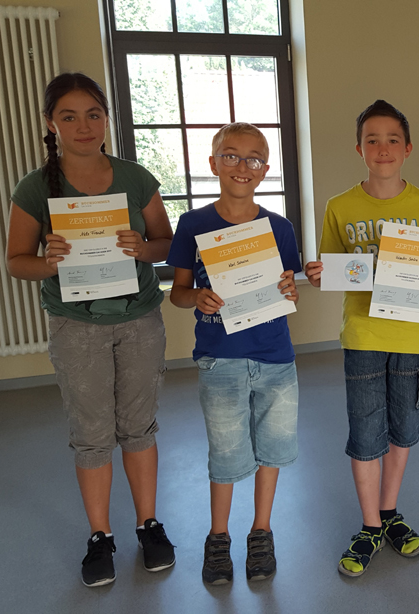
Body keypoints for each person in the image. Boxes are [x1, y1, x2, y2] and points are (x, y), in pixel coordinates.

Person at [6, 72, 175, 586]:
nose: (83, 126)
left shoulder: (135, 177)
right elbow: (16, 261)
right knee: (92, 434)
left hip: (139, 319)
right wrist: (49, 262)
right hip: (76, 326)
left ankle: (149, 525)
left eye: (93, 114)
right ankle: (100, 536)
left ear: (106, 119)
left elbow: (166, 243)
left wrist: (143, 249)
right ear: (50, 124)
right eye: (69, 116)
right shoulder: (35, 187)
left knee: (139, 427)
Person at [304, 100, 419, 577]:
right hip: (363, 333)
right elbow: (331, 271)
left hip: (412, 335)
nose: (383, 148)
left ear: (408, 148)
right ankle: (370, 525)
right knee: (366, 432)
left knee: (404, 430)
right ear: (359, 149)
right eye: (372, 140)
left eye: (393, 139)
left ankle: (389, 512)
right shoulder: (340, 206)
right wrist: (318, 275)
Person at [168, 123, 301, 585]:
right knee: (224, 452)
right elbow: (178, 293)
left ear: (265, 169)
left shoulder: (280, 228)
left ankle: (261, 532)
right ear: (213, 163)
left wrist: (290, 291)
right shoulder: (193, 224)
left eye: (253, 159)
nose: (242, 166)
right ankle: (218, 536)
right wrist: (196, 297)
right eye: (231, 156)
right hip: (219, 357)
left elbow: (288, 288)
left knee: (272, 449)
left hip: (275, 357)